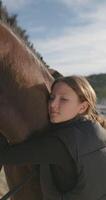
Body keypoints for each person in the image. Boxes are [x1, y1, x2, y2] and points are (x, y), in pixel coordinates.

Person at [0, 75, 106, 200]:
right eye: (52, 97)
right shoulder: (96, 129)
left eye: (63, 100)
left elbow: (4, 155)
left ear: (83, 107)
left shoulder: (59, 144)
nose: (52, 105)